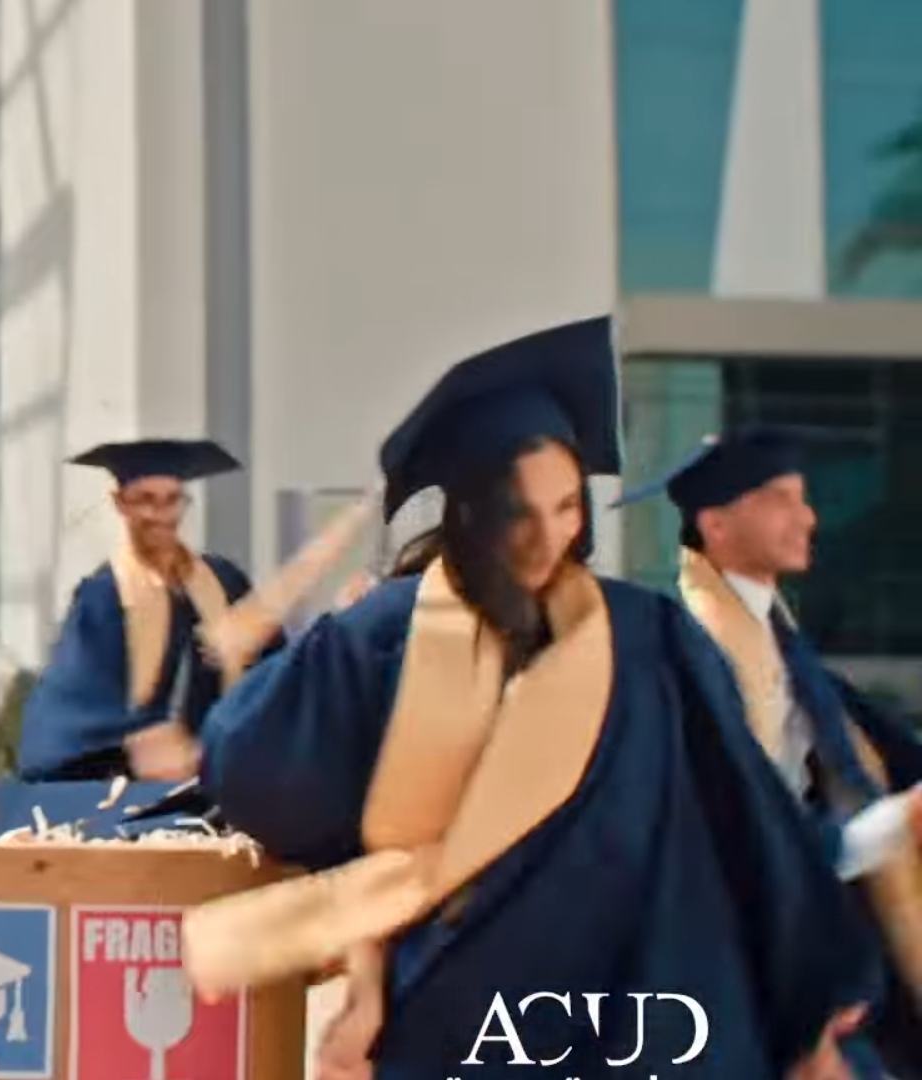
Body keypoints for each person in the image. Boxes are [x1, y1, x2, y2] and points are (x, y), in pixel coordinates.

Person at [180, 316, 881, 1080]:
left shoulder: (646, 638)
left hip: (604, 1004)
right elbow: (261, 775)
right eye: (520, 509)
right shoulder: (390, 633)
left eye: (566, 506)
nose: (547, 536)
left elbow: (742, 813)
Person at [619, 426, 922, 1077]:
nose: (807, 518)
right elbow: (733, 839)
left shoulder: (780, 644)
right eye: (781, 499)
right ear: (717, 523)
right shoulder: (690, 660)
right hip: (751, 986)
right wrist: (892, 826)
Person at [16, 439, 265, 782]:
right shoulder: (104, 595)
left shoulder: (224, 582)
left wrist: (247, 653)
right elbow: (71, 705)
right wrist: (134, 742)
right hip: (138, 787)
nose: (161, 514)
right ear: (120, 504)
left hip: (223, 776)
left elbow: (274, 674)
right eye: (146, 500)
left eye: (172, 500)